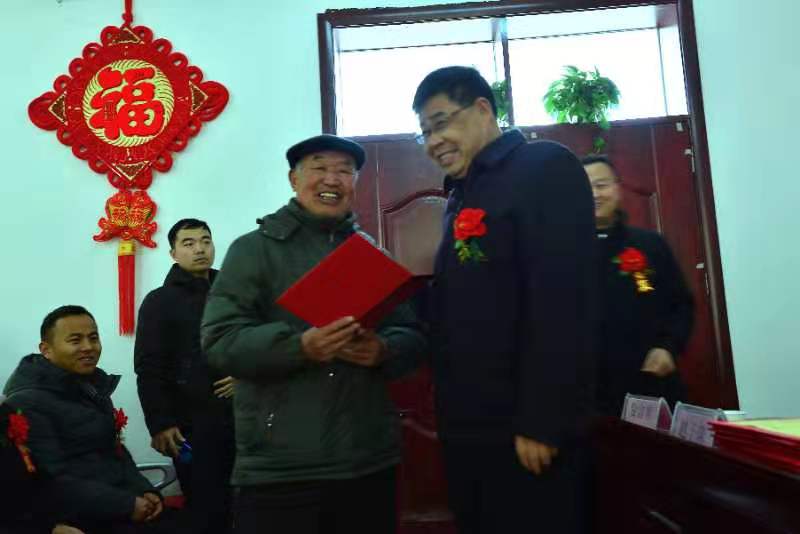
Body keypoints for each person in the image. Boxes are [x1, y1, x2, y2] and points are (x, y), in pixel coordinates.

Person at [201, 134, 427, 534]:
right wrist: (300, 346)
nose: (332, 179)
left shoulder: (370, 253)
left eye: (344, 171)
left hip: (368, 461)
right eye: (319, 168)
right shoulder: (253, 251)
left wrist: (384, 350)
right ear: (293, 179)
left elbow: (411, 334)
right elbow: (220, 341)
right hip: (281, 469)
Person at [412, 66, 596, 534]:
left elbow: (563, 298)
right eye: (424, 132)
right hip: (470, 426)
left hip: (525, 429)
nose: (433, 141)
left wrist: (543, 420)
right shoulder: (464, 191)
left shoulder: (542, 166)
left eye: (440, 123)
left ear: (482, 109)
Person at [3, 306, 174, 533]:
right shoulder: (27, 403)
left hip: (119, 505)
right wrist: (127, 505)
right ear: (46, 350)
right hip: (78, 520)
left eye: (93, 338)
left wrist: (145, 490)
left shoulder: (92, 388)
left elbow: (116, 452)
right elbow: (52, 480)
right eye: (75, 340)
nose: (88, 347)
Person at [135, 218, 235, 533]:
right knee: (207, 508)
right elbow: (149, 367)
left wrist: (247, 378)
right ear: (173, 253)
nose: (199, 249)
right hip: (192, 424)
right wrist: (160, 423)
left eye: (205, 240)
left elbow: (257, 343)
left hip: (245, 416)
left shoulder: (234, 292)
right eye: (188, 243)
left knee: (251, 504)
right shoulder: (159, 301)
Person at [583, 154, 693, 416]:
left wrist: (668, 347)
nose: (595, 194)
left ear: (617, 189)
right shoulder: (560, 251)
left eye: (601, 185)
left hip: (648, 381)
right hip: (585, 390)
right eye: (585, 187)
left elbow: (681, 305)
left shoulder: (650, 245)